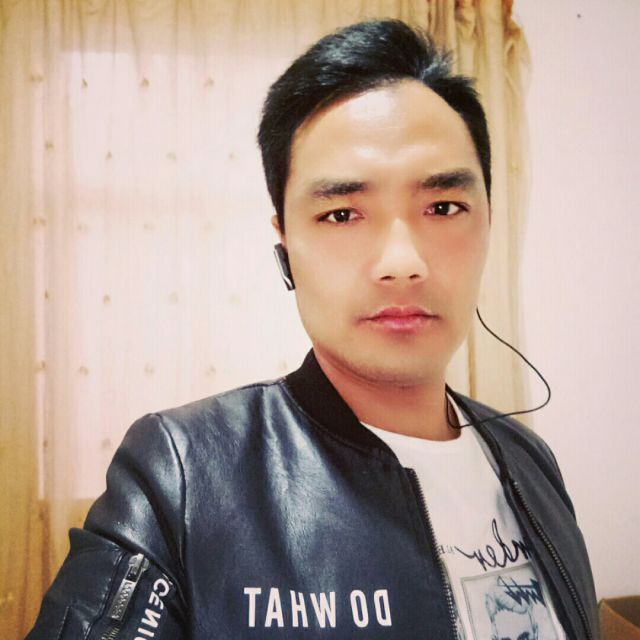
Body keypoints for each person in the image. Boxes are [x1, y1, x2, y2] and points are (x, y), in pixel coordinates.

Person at [26, 19, 599, 640]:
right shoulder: (182, 474)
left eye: (443, 207)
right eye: (342, 214)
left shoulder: (529, 459)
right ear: (285, 246)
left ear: (488, 220)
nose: (402, 262)